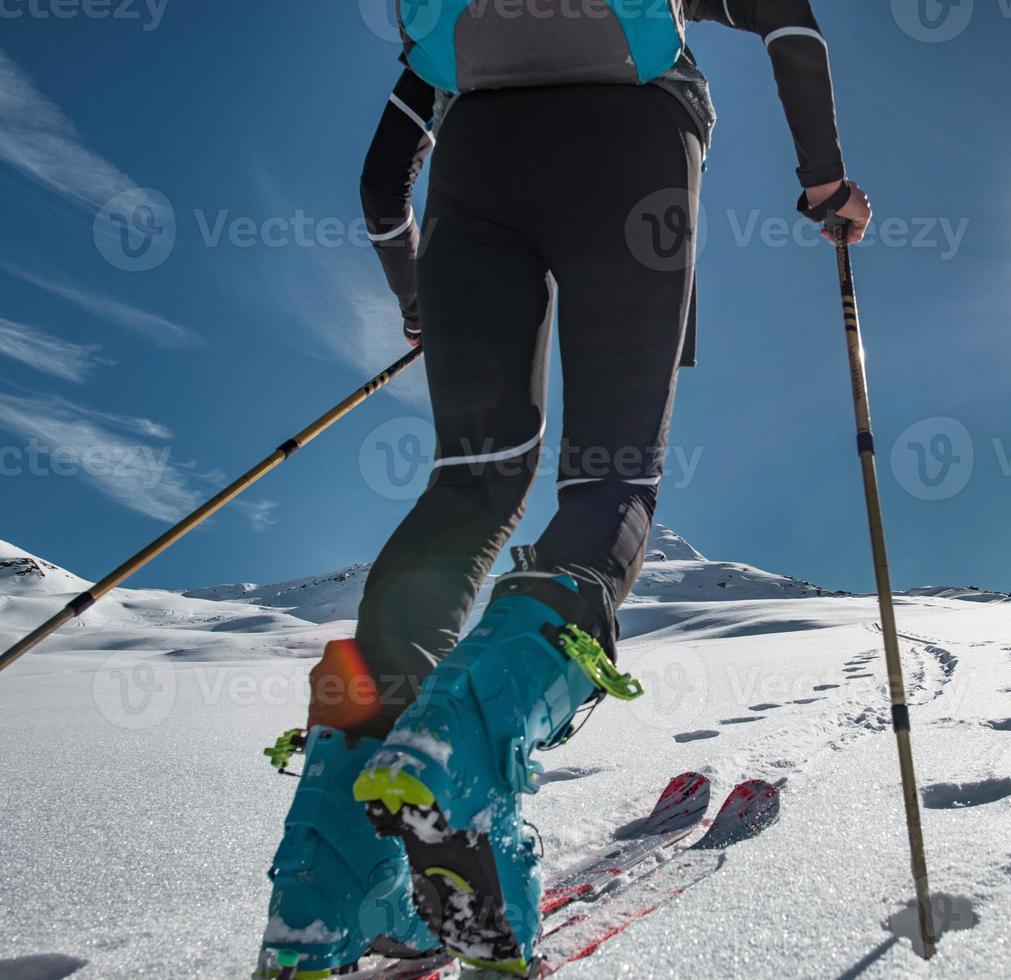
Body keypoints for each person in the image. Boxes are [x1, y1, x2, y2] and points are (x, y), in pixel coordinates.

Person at [260, 2, 872, 975]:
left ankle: (323, 887)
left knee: (468, 485)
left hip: (475, 167)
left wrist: (418, 297)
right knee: (608, 482)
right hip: (635, 143)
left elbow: (383, 184)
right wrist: (823, 179)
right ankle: (453, 759)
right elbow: (787, 20)